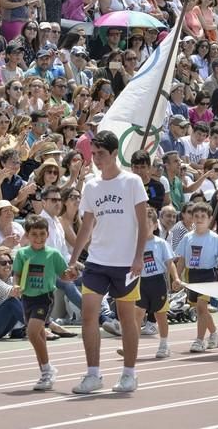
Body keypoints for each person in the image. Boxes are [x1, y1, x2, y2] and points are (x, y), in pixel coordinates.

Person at [68, 130, 149, 394]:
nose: (96, 158)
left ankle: (129, 373)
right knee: (89, 315)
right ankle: (93, 374)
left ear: (114, 154)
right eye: (94, 153)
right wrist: (73, 259)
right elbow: (87, 224)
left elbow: (143, 224)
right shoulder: (91, 185)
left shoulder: (132, 182)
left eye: (102, 153)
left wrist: (138, 257)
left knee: (127, 318)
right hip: (97, 261)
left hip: (126, 263)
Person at [13, 214, 74, 390]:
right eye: (34, 234)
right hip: (27, 298)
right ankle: (45, 373)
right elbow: (17, 274)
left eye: (42, 234)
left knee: (32, 332)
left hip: (44, 297)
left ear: (47, 234)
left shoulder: (53, 254)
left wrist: (71, 274)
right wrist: (16, 286)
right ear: (27, 235)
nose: (38, 238)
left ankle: (47, 370)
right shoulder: (23, 254)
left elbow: (64, 274)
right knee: (38, 335)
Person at [175, 202, 218, 352]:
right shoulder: (187, 238)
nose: (199, 219)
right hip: (191, 275)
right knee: (200, 309)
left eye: (203, 216)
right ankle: (214, 333)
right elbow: (181, 260)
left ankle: (199, 340)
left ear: (209, 219)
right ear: (192, 218)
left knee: (202, 307)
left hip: (208, 275)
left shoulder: (214, 238)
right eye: (196, 216)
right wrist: (176, 278)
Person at [130, 207, 181, 358]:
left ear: (154, 225)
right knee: (137, 315)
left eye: (147, 224)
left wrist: (176, 278)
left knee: (160, 315)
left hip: (158, 282)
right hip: (141, 282)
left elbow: (170, 263)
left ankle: (164, 344)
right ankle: (132, 346)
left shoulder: (161, 243)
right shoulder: (134, 244)